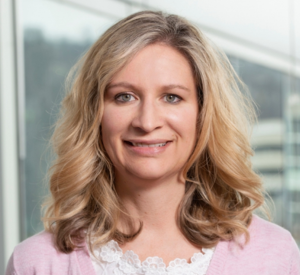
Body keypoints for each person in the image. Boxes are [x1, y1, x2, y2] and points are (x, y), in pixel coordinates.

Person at [6, 11, 300, 275]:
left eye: (172, 97)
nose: (146, 122)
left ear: (203, 113)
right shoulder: (36, 263)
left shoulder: (275, 256)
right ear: (95, 114)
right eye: (124, 96)